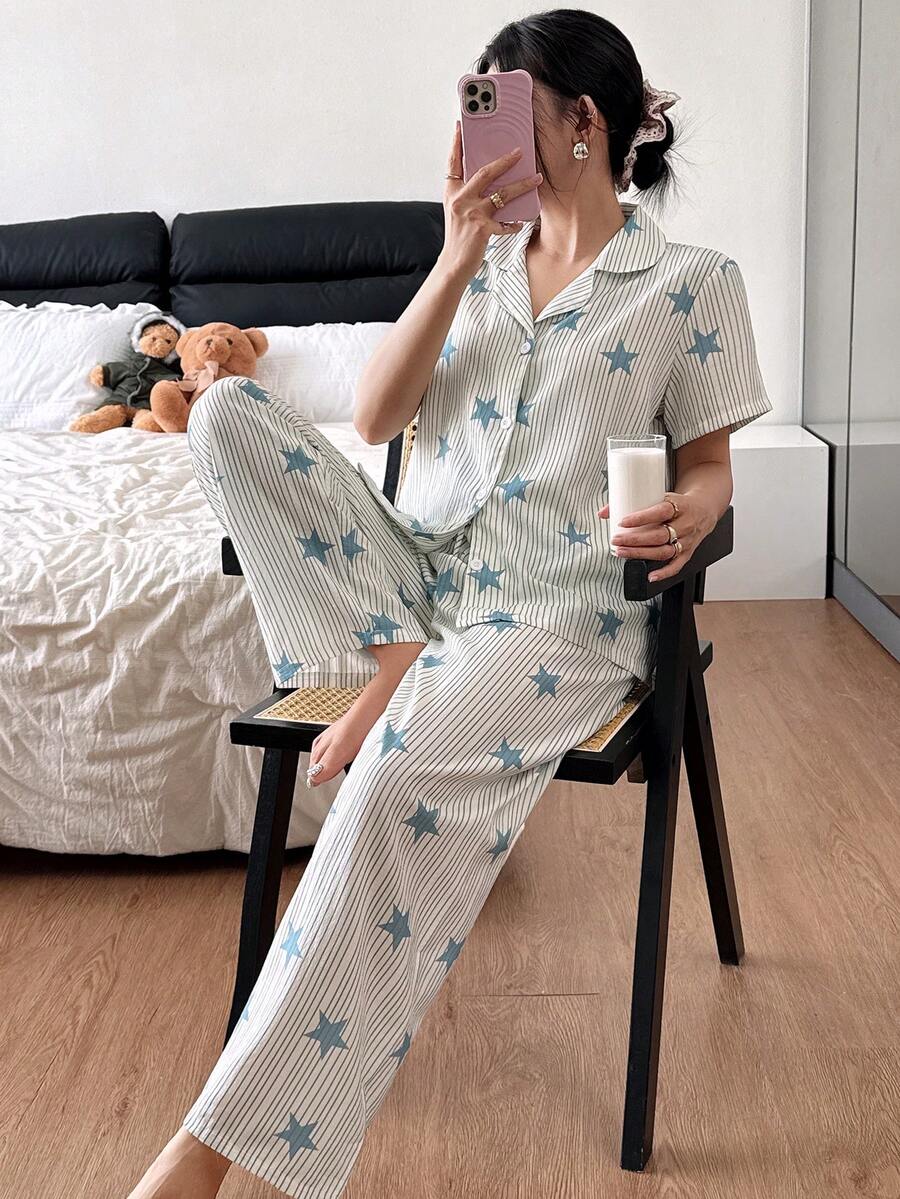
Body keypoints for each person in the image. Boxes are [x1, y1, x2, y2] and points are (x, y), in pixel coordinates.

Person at [127, 9, 772, 1198]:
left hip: (555, 612)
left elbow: (713, 466)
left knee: (387, 786)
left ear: (582, 124)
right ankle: (393, 661)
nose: (483, 137)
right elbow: (375, 419)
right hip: (418, 571)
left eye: (507, 108)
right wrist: (454, 255)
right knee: (222, 413)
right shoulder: (477, 271)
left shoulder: (691, 284)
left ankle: (206, 1152)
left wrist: (692, 510)